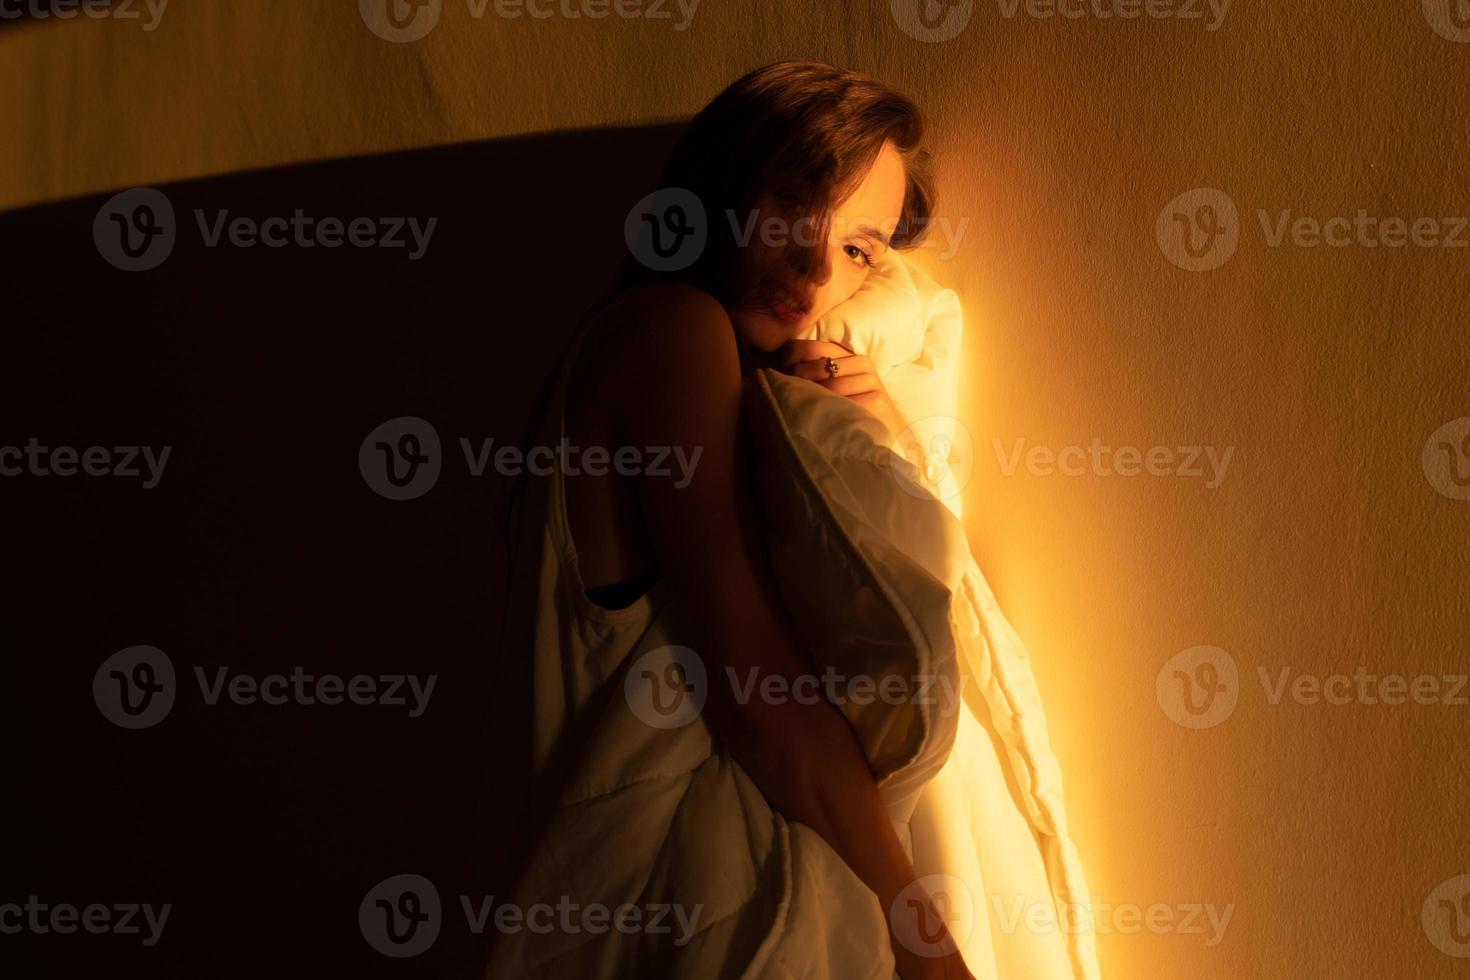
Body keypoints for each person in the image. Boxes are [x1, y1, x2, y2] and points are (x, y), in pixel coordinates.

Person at [506, 61, 974, 980]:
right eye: (795, 206)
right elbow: (757, 684)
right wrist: (923, 938)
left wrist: (867, 437)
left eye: (860, 249)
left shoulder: (709, 369)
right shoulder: (666, 331)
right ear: (722, 186)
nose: (813, 268)